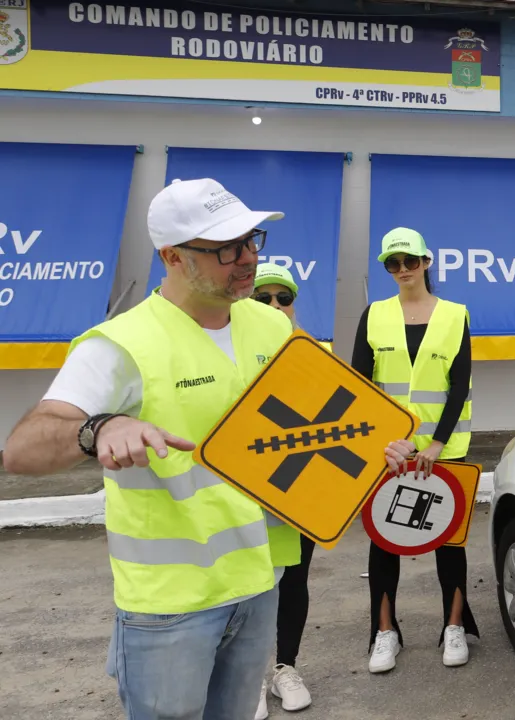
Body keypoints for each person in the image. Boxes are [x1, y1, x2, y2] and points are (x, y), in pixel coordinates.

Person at [1, 178, 418, 720]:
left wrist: (371, 450)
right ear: (171, 256)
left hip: (258, 581)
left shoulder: (271, 324)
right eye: (226, 248)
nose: (247, 259)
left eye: (251, 240)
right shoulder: (121, 344)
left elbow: (315, 432)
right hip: (169, 604)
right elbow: (21, 450)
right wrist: (98, 429)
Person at [351, 227, 478, 673]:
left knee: (449, 541)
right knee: (385, 542)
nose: (402, 270)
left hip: (445, 450)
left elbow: (459, 385)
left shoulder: (455, 314)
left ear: (426, 261)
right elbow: (360, 389)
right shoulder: (374, 315)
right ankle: (385, 632)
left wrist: (437, 443)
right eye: (393, 263)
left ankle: (455, 626)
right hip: (389, 453)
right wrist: (386, 442)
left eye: (409, 261)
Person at [250, 263, 314, 718]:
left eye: (283, 298)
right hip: (245, 489)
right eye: (263, 298)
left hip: (301, 486)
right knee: (250, 585)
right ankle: (249, 677)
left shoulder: (311, 350)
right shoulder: (226, 350)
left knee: (293, 580)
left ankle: (284, 668)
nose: (275, 306)